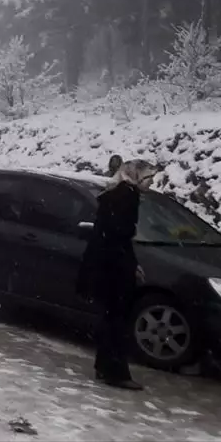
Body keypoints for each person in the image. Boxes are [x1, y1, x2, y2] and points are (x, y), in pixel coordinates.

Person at [76, 160, 158, 391]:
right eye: (148, 177)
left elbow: (110, 235)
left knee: (110, 318)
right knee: (118, 320)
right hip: (114, 268)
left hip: (106, 264)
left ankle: (105, 367)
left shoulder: (115, 195)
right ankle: (116, 371)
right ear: (136, 177)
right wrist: (130, 265)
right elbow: (118, 237)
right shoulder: (127, 198)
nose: (151, 182)